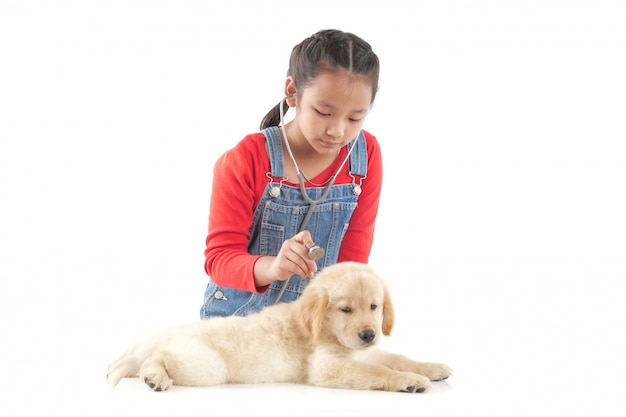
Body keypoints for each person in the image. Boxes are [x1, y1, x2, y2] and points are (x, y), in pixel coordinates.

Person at [200, 29, 383, 318]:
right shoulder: (245, 159)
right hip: (237, 323)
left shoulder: (364, 155)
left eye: (354, 118)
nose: (337, 131)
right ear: (292, 92)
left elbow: (353, 261)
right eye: (324, 112)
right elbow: (220, 260)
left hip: (312, 323)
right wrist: (273, 267)